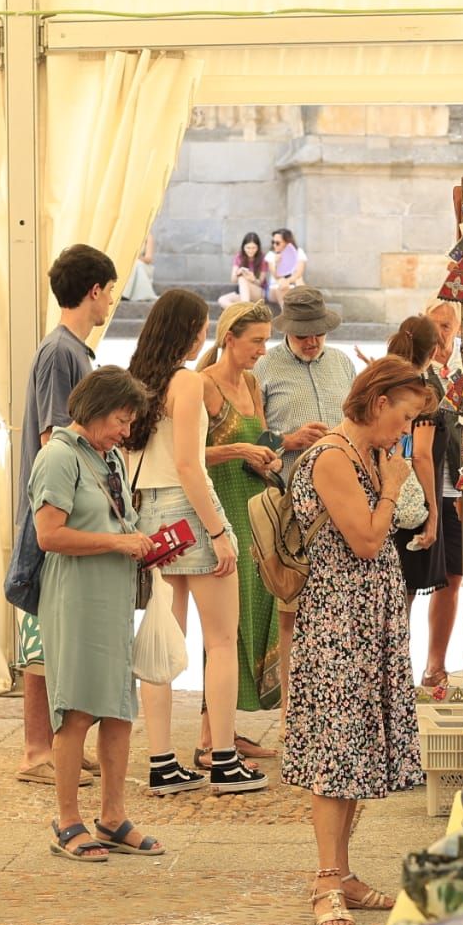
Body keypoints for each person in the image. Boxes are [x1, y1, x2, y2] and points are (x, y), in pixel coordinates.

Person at [283, 357, 428, 925]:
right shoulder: (333, 458)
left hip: (366, 619)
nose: (407, 429)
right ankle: (325, 879)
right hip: (339, 622)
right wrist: (392, 489)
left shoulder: (367, 454)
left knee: (356, 748)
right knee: (335, 748)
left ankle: (342, 872)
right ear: (377, 404)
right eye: (405, 415)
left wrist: (392, 480)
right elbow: (367, 540)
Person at [126, 289, 268, 796]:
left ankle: (161, 761)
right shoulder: (185, 381)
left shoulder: (137, 380)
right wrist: (218, 531)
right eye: (203, 325)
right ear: (188, 331)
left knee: (163, 638)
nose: (205, 334)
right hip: (189, 511)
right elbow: (190, 464)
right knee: (222, 640)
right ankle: (224, 757)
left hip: (151, 516)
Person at [31, 366, 164, 861]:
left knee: (117, 707)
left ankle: (112, 816)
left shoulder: (104, 458)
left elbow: (116, 521)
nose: (126, 432)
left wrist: (144, 545)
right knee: (78, 707)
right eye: (121, 420)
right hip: (76, 595)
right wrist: (118, 541)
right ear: (95, 410)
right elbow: (50, 535)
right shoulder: (59, 456)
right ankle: (67, 819)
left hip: (111, 596)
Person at [14, 244, 115, 788]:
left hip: (66, 506)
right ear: (93, 290)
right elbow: (58, 434)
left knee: (61, 633)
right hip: (54, 509)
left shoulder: (72, 349)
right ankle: (37, 748)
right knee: (43, 636)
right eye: (109, 292)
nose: (109, 304)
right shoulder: (62, 352)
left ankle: (59, 741)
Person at [252, 286, 355, 714]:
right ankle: (293, 711)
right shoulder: (263, 368)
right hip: (289, 503)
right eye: (302, 335)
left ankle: (334, 703)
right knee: (290, 606)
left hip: (341, 502)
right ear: (287, 331)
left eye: (317, 333)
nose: (312, 341)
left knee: (338, 607)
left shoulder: (344, 365)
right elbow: (250, 439)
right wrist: (289, 440)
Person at [198, 302, 284, 729]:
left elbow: (262, 442)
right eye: (256, 340)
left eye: (265, 340)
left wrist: (274, 453)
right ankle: (210, 736)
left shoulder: (251, 383)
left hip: (253, 513)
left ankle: (224, 730)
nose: (262, 349)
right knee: (224, 626)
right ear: (229, 338)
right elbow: (184, 457)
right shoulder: (202, 386)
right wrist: (237, 450)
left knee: (251, 613)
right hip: (222, 513)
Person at [384, 317, 447, 619]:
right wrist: (433, 514)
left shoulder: (384, 379)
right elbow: (421, 454)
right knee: (400, 610)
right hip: (410, 504)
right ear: (434, 350)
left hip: (382, 497)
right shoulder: (423, 389)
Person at [422, 301, 463, 686]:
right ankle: (394, 665)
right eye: (434, 325)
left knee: (453, 577)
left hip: (457, 490)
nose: (441, 334)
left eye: (447, 327)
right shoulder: (415, 369)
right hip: (420, 490)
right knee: (404, 579)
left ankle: (436, 665)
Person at [218, 232, 269, 306]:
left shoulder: (262, 258)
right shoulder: (239, 257)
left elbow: (260, 282)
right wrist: (238, 272)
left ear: (258, 248)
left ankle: (244, 308)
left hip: (259, 293)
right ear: (243, 247)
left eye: (254, 248)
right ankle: (244, 310)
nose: (251, 251)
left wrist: (253, 279)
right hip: (244, 294)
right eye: (248, 248)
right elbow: (233, 280)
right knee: (222, 300)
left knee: (242, 278)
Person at [268, 228, 308, 309]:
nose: (274, 245)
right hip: (275, 288)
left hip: (292, 284)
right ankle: (288, 315)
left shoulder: (298, 252)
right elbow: (276, 276)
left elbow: (298, 273)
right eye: (273, 242)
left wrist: (288, 281)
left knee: (299, 280)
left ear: (287, 242)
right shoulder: (271, 254)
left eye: (277, 243)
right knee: (282, 284)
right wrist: (277, 263)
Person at [121, 231, 158, 303]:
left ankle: (125, 294)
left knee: (136, 264)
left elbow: (148, 259)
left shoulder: (148, 236)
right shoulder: (126, 235)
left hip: (143, 265)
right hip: (127, 264)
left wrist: (134, 257)